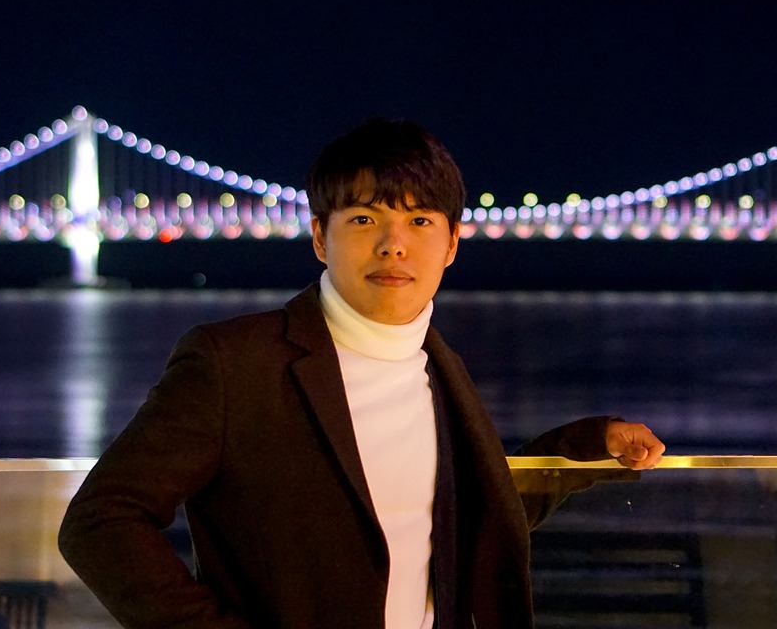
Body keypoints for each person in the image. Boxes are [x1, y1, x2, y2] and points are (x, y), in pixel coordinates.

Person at [58, 117, 666, 629]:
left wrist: (589, 445)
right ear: (320, 238)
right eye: (364, 219)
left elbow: (465, 520)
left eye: (420, 221)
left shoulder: (438, 367)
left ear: (452, 244)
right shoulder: (235, 364)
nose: (393, 245)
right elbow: (100, 522)